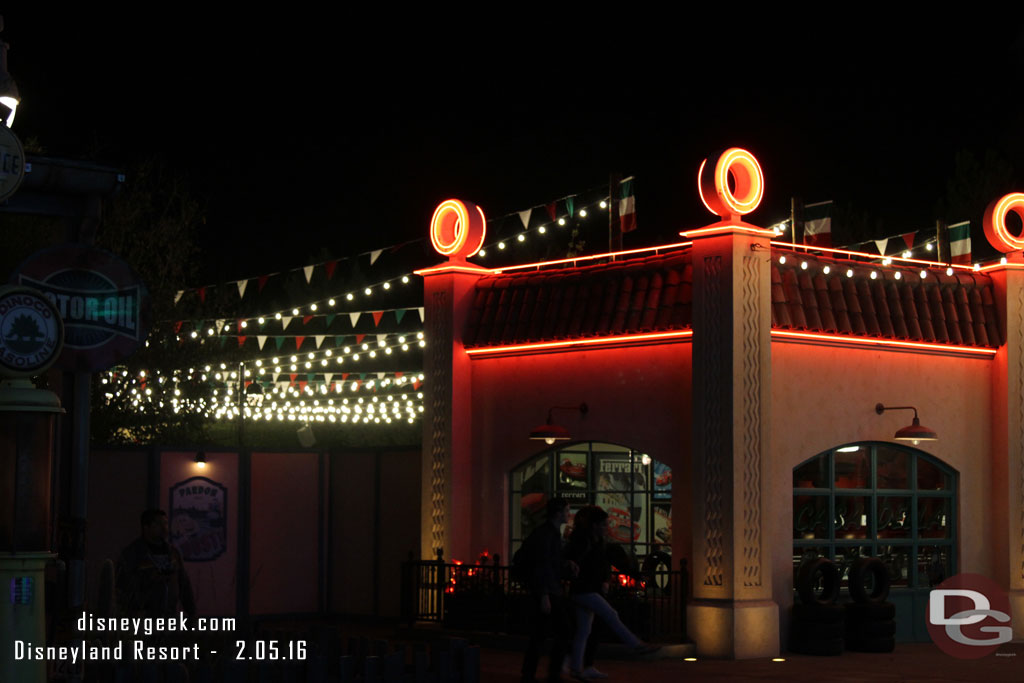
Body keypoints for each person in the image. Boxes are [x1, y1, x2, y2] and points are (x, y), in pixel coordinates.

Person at [564, 506, 658, 681]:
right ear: (594, 526)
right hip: (585, 590)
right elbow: (587, 562)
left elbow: (603, 563)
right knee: (609, 615)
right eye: (603, 524)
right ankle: (635, 644)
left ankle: (577, 668)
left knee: (584, 631)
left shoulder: (592, 542)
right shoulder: (588, 542)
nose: (606, 527)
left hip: (583, 590)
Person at [521, 496, 577, 683]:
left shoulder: (547, 533)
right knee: (561, 631)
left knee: (541, 635)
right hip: (549, 592)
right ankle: (550, 674)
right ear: (558, 513)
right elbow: (543, 565)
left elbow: (547, 562)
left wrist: (566, 563)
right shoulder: (548, 535)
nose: (568, 515)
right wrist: (544, 593)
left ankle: (532, 674)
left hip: (548, 591)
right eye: (567, 511)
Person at [116, 509, 197, 621]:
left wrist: (191, 613)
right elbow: (122, 587)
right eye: (158, 524)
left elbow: (184, 584)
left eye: (165, 523)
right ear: (146, 527)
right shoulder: (133, 554)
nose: (164, 528)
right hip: (142, 619)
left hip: (169, 618)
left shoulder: (173, 554)